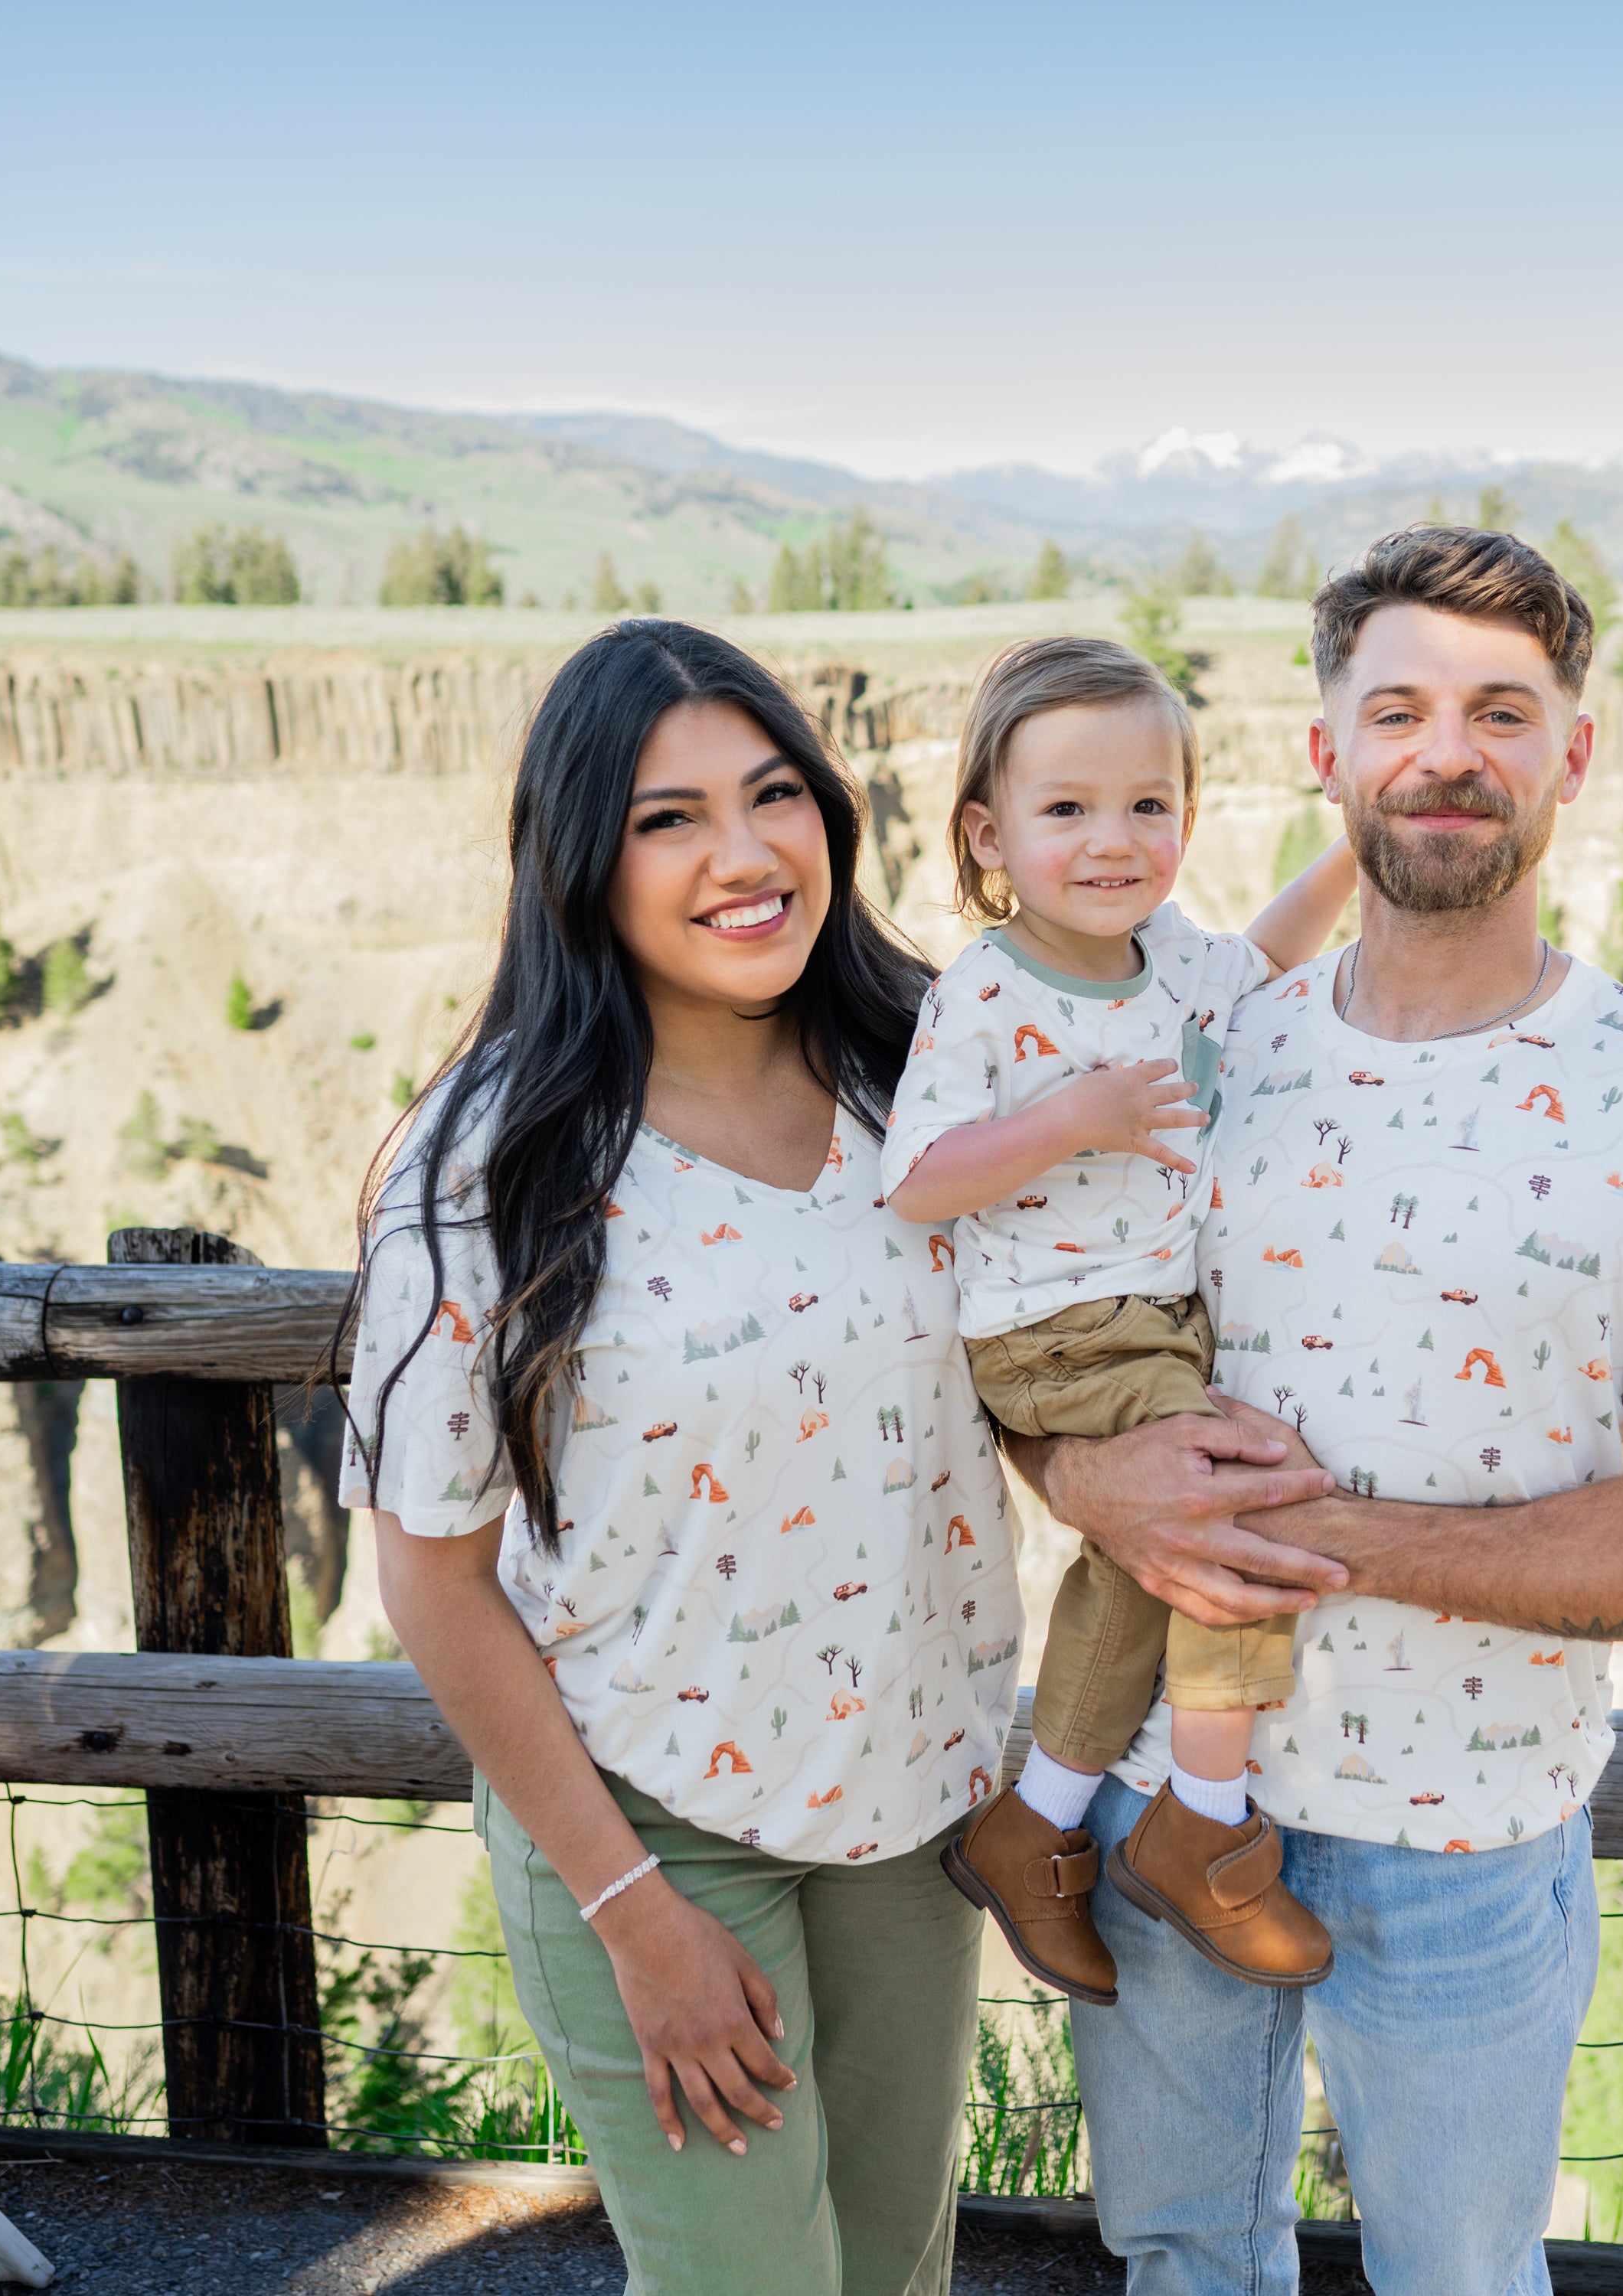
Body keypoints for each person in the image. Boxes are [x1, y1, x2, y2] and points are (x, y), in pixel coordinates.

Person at [997, 527, 1623, 2296]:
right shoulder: (1198, 1059)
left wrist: (1313, 1537)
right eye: (1398, 710)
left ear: (1572, 756)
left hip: (1468, 1831)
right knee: (1179, 2259)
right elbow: (1023, 1315)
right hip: (1156, 1800)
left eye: (1499, 713)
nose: (1445, 753)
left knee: (1458, 2278)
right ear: (1328, 753)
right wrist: (1082, 1475)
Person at [342, 621, 1053, 2296]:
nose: (743, 855)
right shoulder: (488, 1163)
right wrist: (632, 1914)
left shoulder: (930, 1071)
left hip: (915, 1809)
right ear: (582, 862)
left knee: (895, 2277)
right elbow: (431, 1576)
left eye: (772, 795)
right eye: (669, 820)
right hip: (654, 1827)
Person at [881, 637, 1356, 2003]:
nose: (1113, 840)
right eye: (1067, 809)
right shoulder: (989, 991)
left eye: (1149, 805)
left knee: (1140, 1568)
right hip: (1060, 1328)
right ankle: (1203, 1827)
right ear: (991, 834)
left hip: (1152, 1323)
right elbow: (918, 1180)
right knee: (1227, 1510)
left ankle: (1035, 1826)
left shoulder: (1177, 960)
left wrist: (1355, 854)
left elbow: (1263, 962)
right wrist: (1067, 1120)